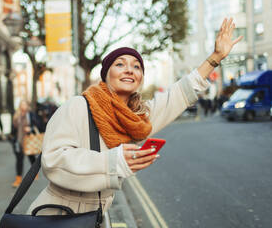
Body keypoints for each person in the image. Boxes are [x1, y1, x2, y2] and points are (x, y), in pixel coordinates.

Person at [27, 18, 242, 219]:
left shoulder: (137, 118)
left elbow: (178, 95)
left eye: (136, 66)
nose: (129, 69)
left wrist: (215, 58)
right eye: (120, 64)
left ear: (139, 78)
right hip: (56, 215)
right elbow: (53, 161)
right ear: (106, 74)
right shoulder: (78, 106)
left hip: (97, 216)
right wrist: (114, 161)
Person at [12, 100, 41, 187]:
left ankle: (34, 173)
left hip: (29, 140)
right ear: (20, 106)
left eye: (25, 104)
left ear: (27, 106)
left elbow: (38, 125)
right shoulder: (16, 115)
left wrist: (30, 129)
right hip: (18, 141)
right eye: (22, 104)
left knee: (31, 157)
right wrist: (12, 139)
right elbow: (13, 129)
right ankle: (18, 179)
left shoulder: (31, 114)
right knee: (19, 160)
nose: (23, 106)